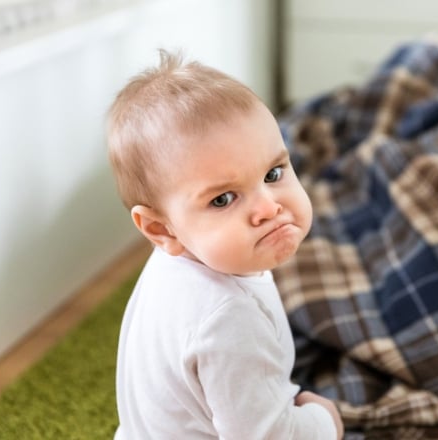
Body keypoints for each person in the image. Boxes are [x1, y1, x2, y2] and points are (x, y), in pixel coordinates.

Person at [106, 49, 344, 439]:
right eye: (222, 199)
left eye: (273, 173)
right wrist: (324, 422)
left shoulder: (177, 257)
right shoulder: (229, 318)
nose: (269, 207)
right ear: (161, 229)